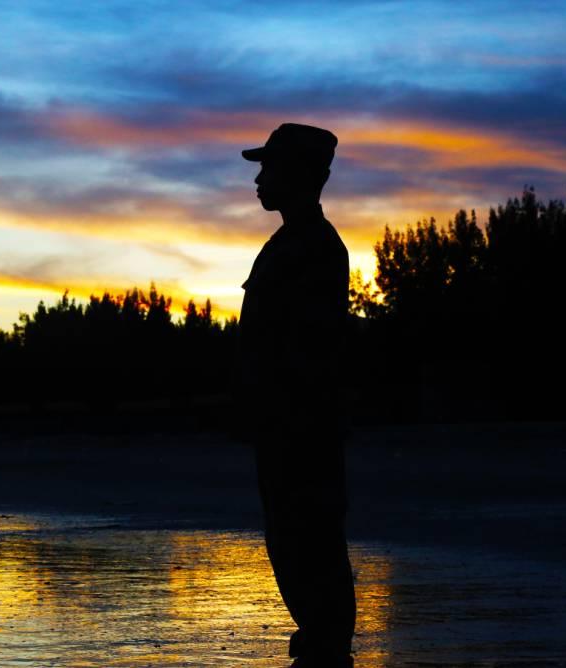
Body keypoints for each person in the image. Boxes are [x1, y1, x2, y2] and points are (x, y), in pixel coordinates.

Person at [233, 123, 355, 666]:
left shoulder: (312, 246)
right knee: (295, 541)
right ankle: (321, 648)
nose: (259, 179)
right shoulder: (295, 242)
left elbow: (306, 349)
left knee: (308, 542)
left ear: (305, 175)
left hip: (300, 426)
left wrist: (281, 412)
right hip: (288, 423)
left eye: (269, 167)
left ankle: (326, 652)